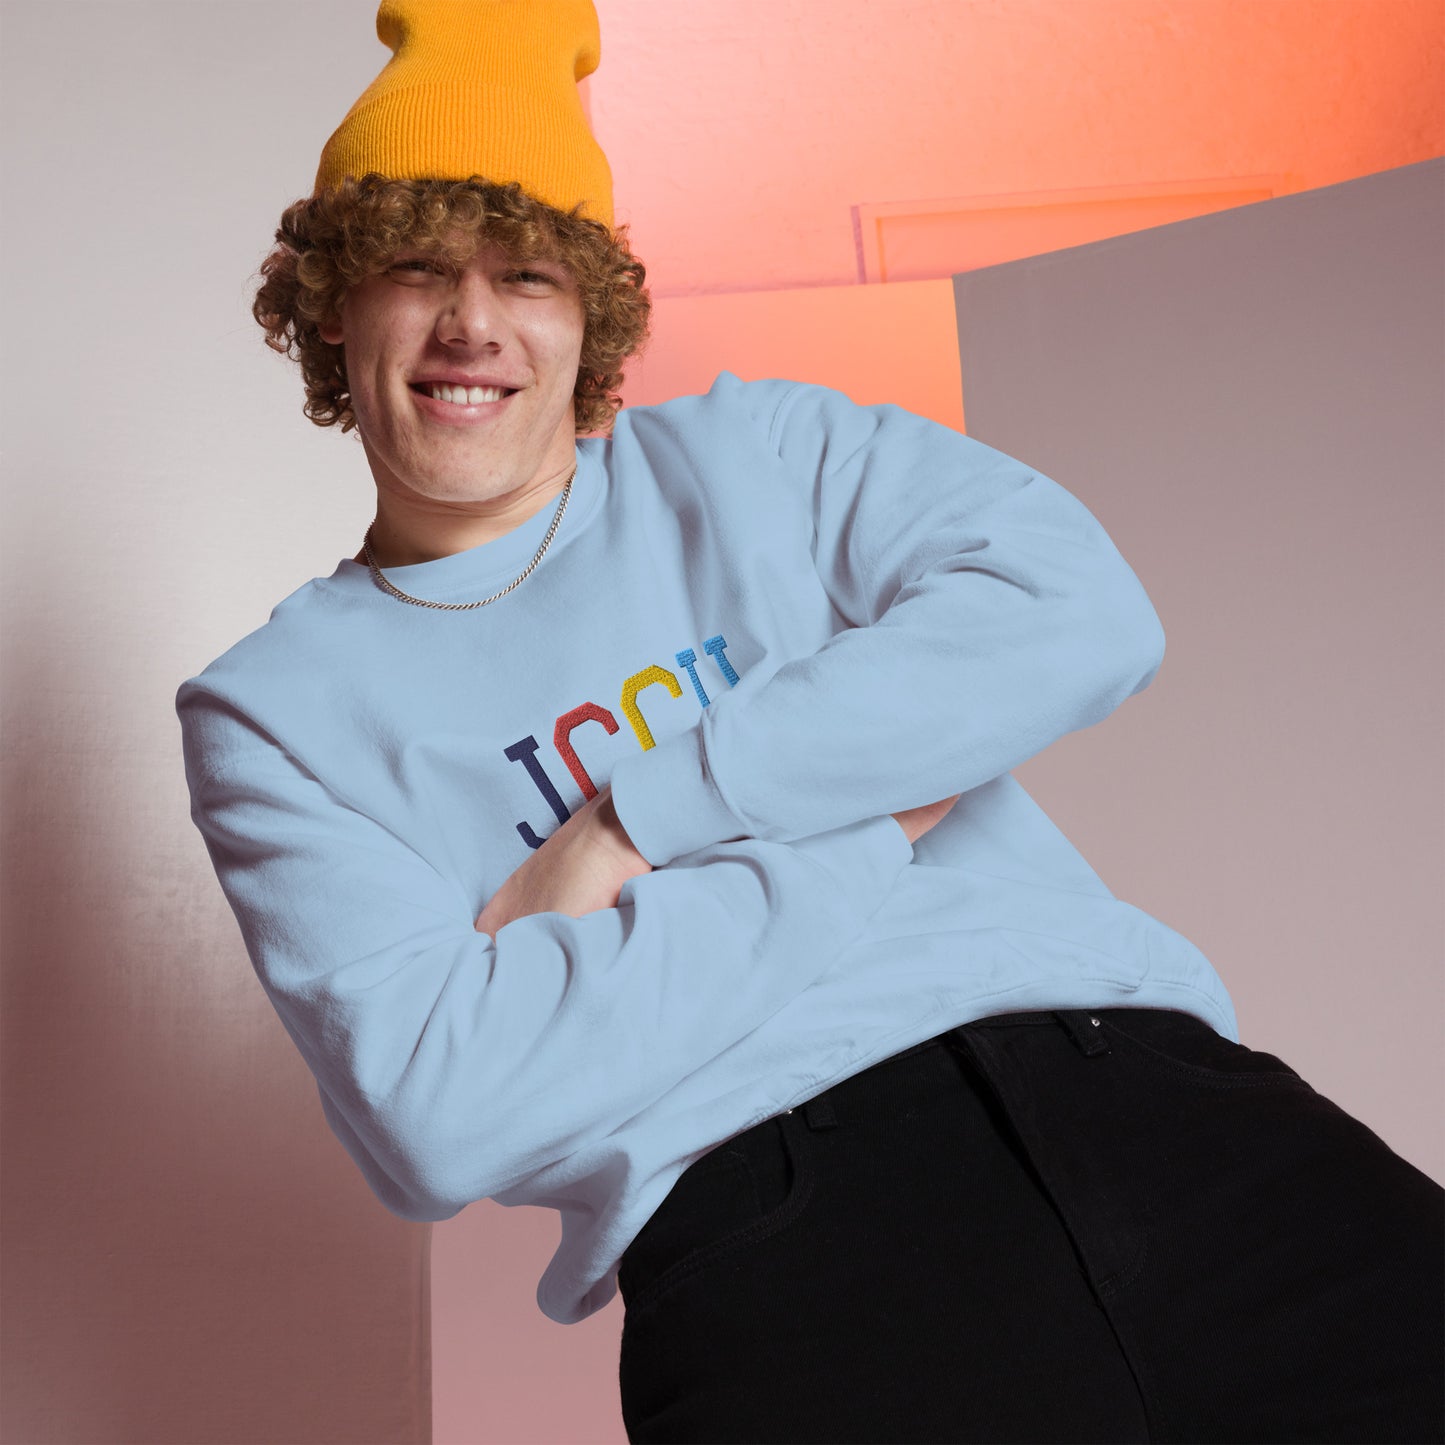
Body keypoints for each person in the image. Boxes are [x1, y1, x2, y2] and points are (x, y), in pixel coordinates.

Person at [175, 2, 1444, 1440]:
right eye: (417, 266)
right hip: (777, 1241)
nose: (474, 323)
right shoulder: (272, 713)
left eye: (526, 271)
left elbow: (1078, 609)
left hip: (1160, 1104)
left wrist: (636, 822)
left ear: (587, 313)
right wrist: (883, 806)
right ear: (331, 303)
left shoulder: (756, 452)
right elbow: (439, 1109)